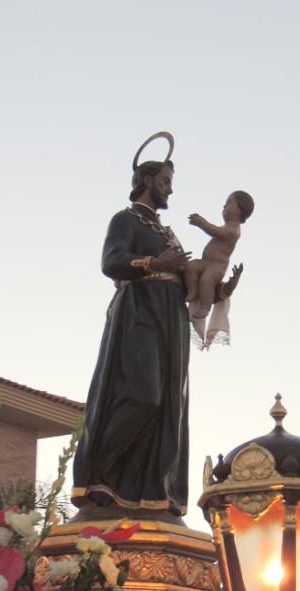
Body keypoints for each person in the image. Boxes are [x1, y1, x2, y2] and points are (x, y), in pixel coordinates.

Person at [72, 143, 244, 519]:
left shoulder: (167, 232)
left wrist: (218, 291)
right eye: (165, 181)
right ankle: (101, 476)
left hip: (170, 315)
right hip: (139, 313)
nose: (170, 188)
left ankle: (151, 490)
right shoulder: (126, 220)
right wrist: (153, 262)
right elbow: (111, 262)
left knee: (168, 402)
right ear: (146, 179)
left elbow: (187, 277)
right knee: (142, 393)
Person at [185, 191, 254, 320]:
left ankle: (205, 307)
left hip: (216, 267)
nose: (224, 206)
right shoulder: (228, 227)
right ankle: (192, 290)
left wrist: (201, 222)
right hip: (205, 262)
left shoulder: (233, 230)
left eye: (229, 203)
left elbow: (215, 231)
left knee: (206, 280)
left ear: (240, 210)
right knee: (191, 266)